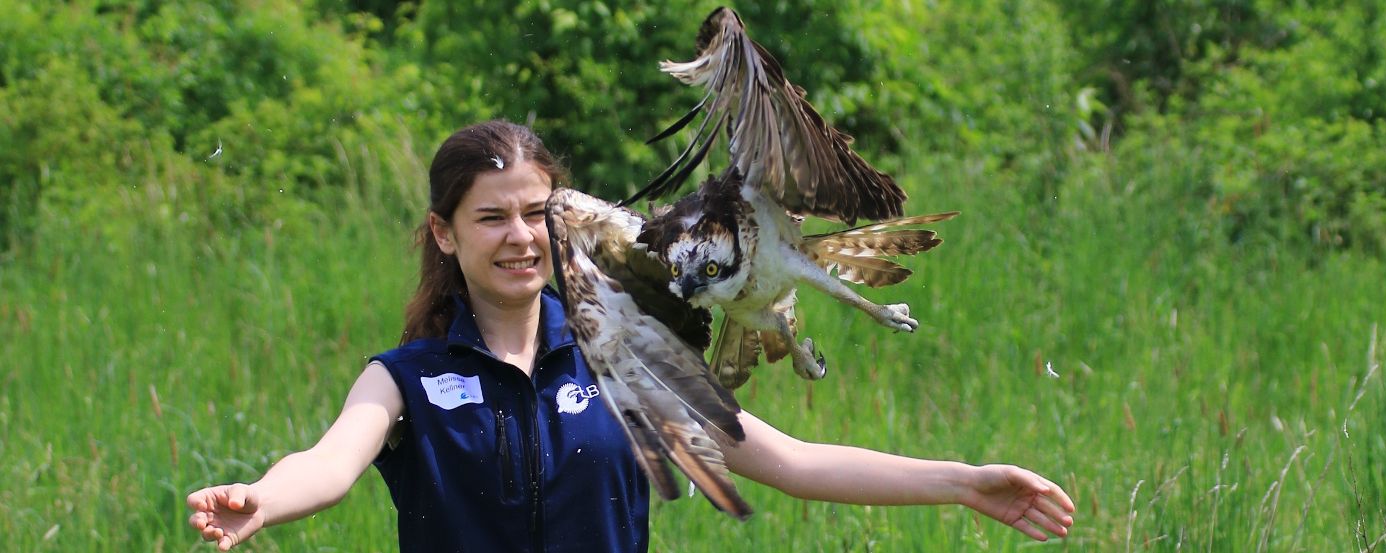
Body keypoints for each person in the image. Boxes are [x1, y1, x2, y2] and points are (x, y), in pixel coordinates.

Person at [186, 120, 1076, 552]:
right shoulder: (407, 378)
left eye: (535, 213)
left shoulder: (624, 356)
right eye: (490, 217)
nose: (520, 236)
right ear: (444, 234)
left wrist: (964, 482)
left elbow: (792, 461)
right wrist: (264, 497)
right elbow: (330, 463)